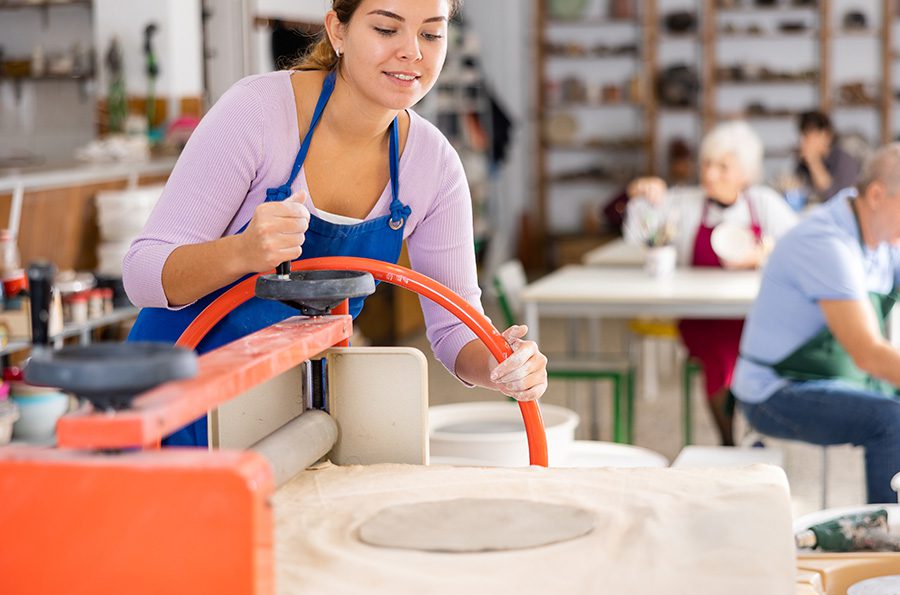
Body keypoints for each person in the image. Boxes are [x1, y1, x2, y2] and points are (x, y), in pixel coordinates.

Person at [122, 0, 548, 446]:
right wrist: (242, 252)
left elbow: (455, 326)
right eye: (387, 29)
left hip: (286, 417)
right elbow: (143, 274)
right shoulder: (258, 113)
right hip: (170, 402)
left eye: (431, 34)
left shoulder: (434, 166)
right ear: (338, 31)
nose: (412, 52)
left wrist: (503, 367)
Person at [733, 144, 900, 504]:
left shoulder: (884, 240)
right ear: (876, 195)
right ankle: (888, 547)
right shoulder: (827, 243)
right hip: (775, 391)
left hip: (829, 378)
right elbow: (868, 354)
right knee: (893, 420)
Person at [624, 121, 798, 445]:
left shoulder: (762, 203)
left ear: (745, 173)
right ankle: (730, 440)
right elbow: (638, 232)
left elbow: (799, 248)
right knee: (720, 353)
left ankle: (749, 433)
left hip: (754, 315)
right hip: (701, 317)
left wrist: (763, 256)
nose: (710, 174)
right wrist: (642, 195)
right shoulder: (686, 203)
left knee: (757, 350)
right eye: (706, 164)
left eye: (723, 167)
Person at [796, 110, 860, 205]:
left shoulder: (844, 161)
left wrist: (814, 162)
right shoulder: (802, 164)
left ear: (826, 136)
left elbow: (837, 201)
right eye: (802, 136)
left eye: (808, 136)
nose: (803, 142)